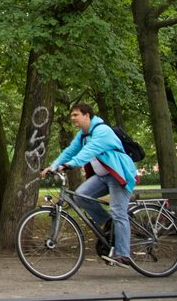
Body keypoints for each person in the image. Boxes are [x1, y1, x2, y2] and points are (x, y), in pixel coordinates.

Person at [41, 102, 138, 267]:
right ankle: (109, 223)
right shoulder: (83, 134)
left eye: (75, 115)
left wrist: (70, 165)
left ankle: (123, 255)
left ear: (87, 115)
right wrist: (54, 165)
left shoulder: (102, 131)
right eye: (71, 115)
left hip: (119, 175)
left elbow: (89, 151)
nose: (72, 118)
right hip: (102, 176)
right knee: (81, 196)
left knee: (118, 212)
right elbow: (70, 150)